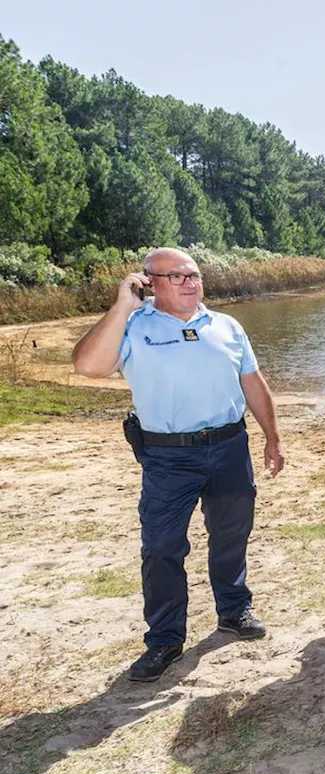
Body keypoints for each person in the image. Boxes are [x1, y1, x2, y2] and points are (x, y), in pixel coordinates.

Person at [72, 248, 284, 683]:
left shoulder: (226, 326)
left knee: (231, 532)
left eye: (195, 275)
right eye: (178, 277)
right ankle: (165, 640)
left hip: (229, 447)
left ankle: (233, 610)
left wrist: (272, 439)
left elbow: (253, 385)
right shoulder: (132, 326)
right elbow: (87, 366)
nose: (191, 283)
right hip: (168, 457)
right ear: (150, 282)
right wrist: (122, 305)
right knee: (162, 547)